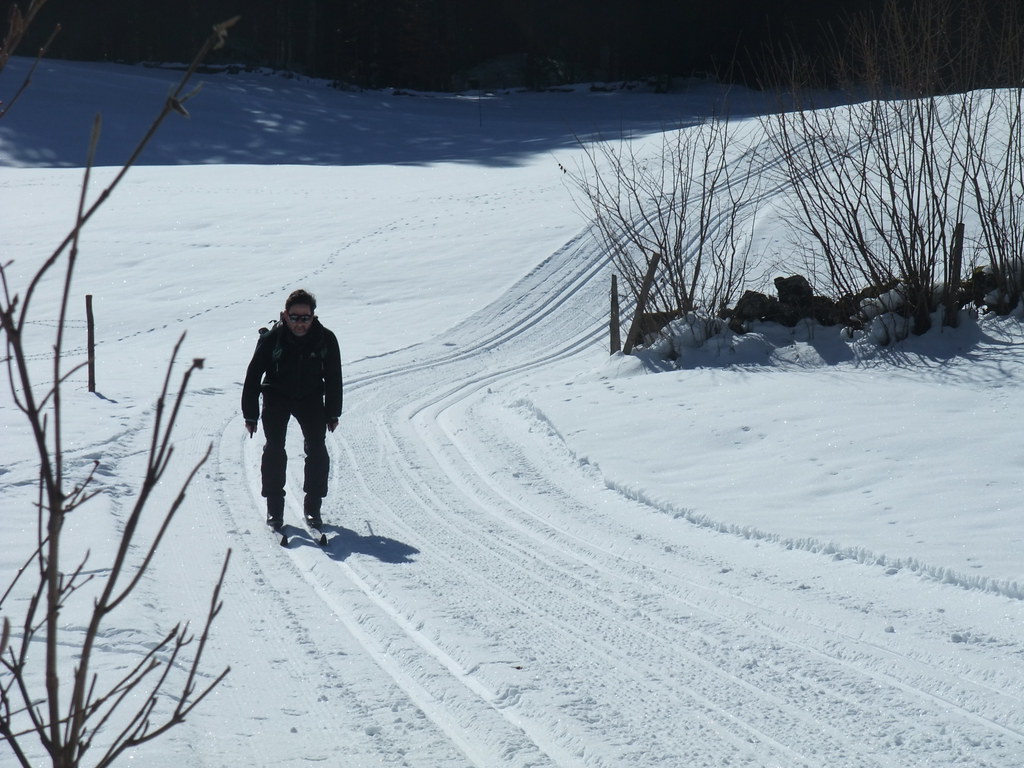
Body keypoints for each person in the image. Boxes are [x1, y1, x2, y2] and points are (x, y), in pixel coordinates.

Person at [241, 289, 343, 528]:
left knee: (317, 449)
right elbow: (253, 376)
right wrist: (250, 414)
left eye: (305, 317)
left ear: (313, 316)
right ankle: (274, 510)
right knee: (275, 448)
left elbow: (334, 378)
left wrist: (333, 412)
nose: (300, 323)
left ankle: (313, 509)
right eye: (295, 317)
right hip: (276, 396)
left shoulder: (326, 339)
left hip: (310, 398)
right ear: (286, 315)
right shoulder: (271, 339)